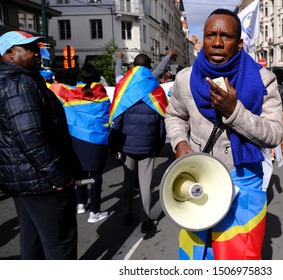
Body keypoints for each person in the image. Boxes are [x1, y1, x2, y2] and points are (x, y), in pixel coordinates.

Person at [164, 9, 283, 260]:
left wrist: (234, 111)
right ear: (203, 39)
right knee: (197, 255)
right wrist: (180, 144)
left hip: (244, 177)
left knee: (238, 258)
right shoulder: (185, 79)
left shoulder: (263, 80)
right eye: (210, 35)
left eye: (226, 36)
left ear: (239, 44)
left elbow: (274, 134)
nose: (217, 42)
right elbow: (174, 115)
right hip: (198, 177)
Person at [0, 30, 79, 259]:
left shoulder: (14, 79)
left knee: (33, 243)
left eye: (37, 48)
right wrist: (59, 177)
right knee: (60, 247)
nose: (37, 53)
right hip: (42, 181)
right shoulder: (18, 83)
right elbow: (30, 135)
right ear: (10, 53)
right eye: (31, 49)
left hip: (25, 179)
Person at [109, 53, 168, 233]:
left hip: (127, 143)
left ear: (133, 67)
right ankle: (146, 220)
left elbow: (116, 121)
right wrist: (158, 145)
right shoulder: (156, 89)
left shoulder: (123, 88)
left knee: (128, 180)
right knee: (146, 183)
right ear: (149, 67)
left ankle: (126, 212)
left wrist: (114, 146)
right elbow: (161, 122)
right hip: (148, 144)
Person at [62, 64, 111, 223]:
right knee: (96, 176)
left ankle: (81, 204)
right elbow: (108, 115)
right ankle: (94, 211)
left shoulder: (70, 95)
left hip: (75, 139)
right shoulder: (102, 95)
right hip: (97, 141)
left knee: (79, 174)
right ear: (97, 78)